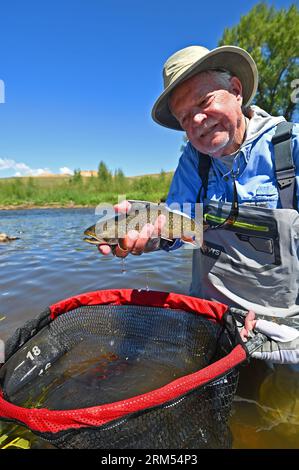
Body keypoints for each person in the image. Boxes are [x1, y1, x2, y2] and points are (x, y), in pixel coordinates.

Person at [98, 45, 299, 360]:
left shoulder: (290, 147)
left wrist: (275, 321)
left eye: (203, 102)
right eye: (185, 118)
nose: (198, 121)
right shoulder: (193, 162)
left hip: (284, 330)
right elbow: (180, 226)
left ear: (236, 90)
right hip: (211, 320)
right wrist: (148, 232)